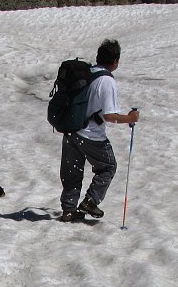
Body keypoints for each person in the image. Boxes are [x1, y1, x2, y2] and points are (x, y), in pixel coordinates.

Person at [58, 39, 140, 222]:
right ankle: (90, 201)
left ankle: (68, 210)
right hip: (91, 135)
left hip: (71, 130)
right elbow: (110, 116)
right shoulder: (106, 81)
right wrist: (130, 118)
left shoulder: (86, 72)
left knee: (72, 172)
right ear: (115, 62)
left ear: (98, 57)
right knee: (108, 166)